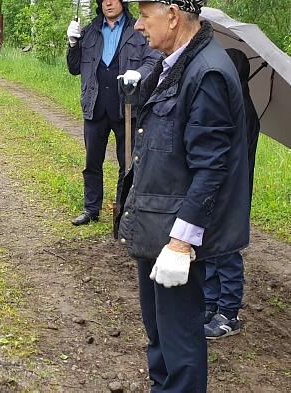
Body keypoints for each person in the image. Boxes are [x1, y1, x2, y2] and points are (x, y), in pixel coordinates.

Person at [117, 0, 249, 390]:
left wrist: (180, 244)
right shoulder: (174, 63)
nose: (138, 25)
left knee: (178, 340)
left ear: (173, 15)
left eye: (144, 15)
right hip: (157, 221)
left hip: (175, 234)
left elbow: (212, 169)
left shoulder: (206, 72)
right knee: (158, 333)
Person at [66, 0, 160, 226]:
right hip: (95, 106)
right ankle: (91, 209)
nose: (108, 2)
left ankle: (123, 211)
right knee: (92, 162)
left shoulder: (137, 30)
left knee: (127, 163)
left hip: (127, 107)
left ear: (122, 2)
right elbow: (74, 68)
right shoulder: (88, 31)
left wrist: (138, 73)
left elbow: (154, 59)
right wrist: (72, 43)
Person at [203, 48, 261, 340]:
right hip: (218, 188)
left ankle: (229, 313)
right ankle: (210, 303)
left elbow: (234, 159)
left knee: (227, 250)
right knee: (211, 245)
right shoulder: (228, 105)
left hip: (233, 191)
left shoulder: (244, 113)